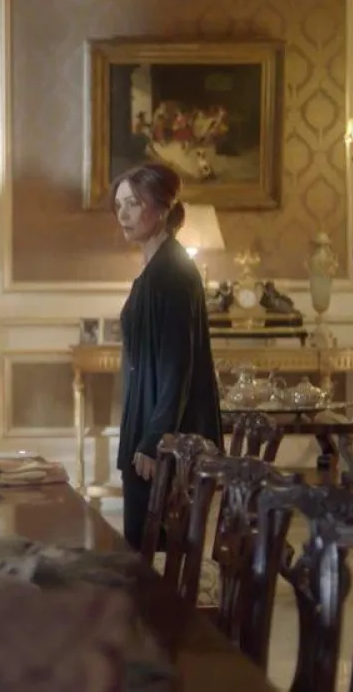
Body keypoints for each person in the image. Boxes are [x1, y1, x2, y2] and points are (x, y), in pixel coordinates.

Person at [112, 162, 222, 550]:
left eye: (133, 203)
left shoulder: (173, 273)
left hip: (164, 443)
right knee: (140, 549)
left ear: (161, 208)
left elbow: (179, 365)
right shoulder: (156, 269)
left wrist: (154, 440)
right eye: (119, 205)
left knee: (154, 556)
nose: (123, 214)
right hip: (147, 428)